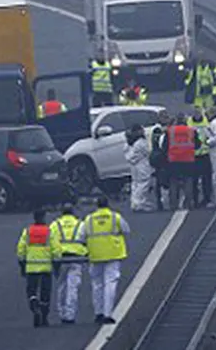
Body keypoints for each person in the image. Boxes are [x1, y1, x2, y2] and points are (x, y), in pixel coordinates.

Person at [77, 196, 130, 324]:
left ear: (96, 205)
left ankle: (98, 313)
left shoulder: (89, 219)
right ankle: (108, 313)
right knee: (110, 284)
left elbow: (80, 236)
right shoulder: (115, 217)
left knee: (97, 284)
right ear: (108, 204)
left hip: (95, 255)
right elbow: (126, 230)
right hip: (113, 254)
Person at [17, 208, 62, 327]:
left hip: (31, 268)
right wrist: (57, 265)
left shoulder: (28, 231)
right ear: (43, 217)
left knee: (31, 292)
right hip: (46, 268)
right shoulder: (48, 232)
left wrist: (22, 265)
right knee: (45, 294)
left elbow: (21, 250)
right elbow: (56, 250)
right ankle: (44, 317)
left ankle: (34, 306)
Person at [49, 204, 87, 325]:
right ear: (73, 212)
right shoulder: (80, 224)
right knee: (73, 288)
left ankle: (62, 313)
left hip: (60, 260)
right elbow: (86, 241)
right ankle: (70, 315)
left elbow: (50, 242)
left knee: (61, 287)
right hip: (76, 259)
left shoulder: (55, 225)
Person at [164, 113, 198, 210]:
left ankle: (173, 204)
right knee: (188, 181)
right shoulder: (191, 131)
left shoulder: (170, 131)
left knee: (173, 182)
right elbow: (198, 144)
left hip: (174, 159)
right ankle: (188, 203)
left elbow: (165, 146)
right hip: (188, 159)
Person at [124, 124, 156, 212]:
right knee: (143, 184)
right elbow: (148, 151)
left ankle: (134, 202)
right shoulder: (141, 142)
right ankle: (140, 203)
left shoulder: (129, 143)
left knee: (135, 184)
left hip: (134, 167)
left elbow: (128, 155)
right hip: (142, 166)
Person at [189, 109, 214, 207]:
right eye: (195, 113)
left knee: (206, 179)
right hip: (193, 155)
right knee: (194, 180)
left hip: (205, 154)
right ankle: (195, 200)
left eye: (198, 113)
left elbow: (211, 136)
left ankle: (206, 198)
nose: (197, 115)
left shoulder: (206, 122)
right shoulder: (189, 122)